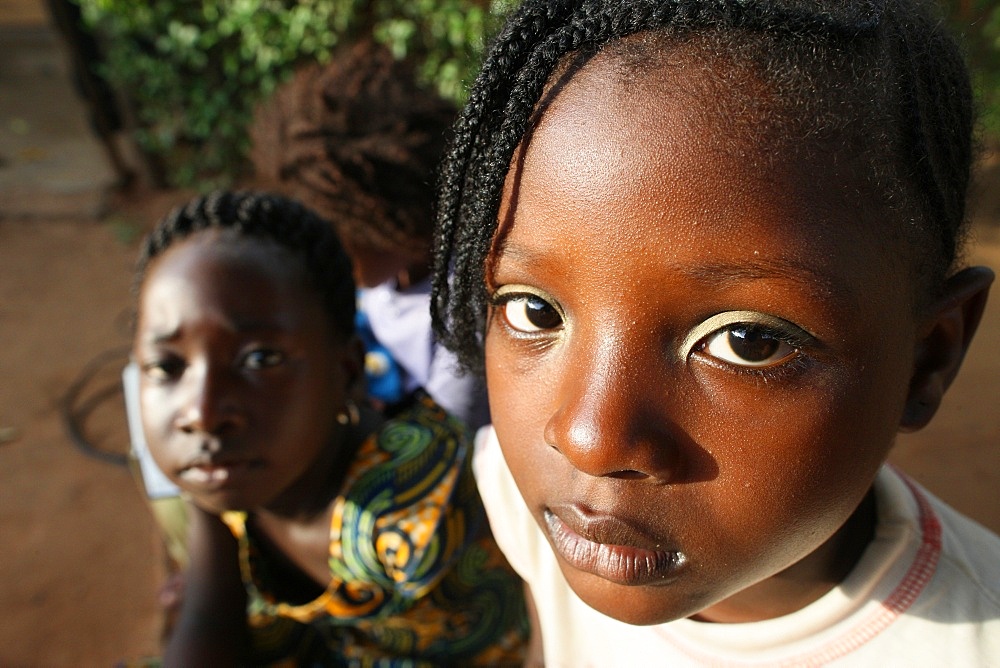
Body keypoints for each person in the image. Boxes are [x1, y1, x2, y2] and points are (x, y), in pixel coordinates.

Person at [430, 0, 1000, 665]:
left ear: (929, 358)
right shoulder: (502, 500)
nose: (590, 438)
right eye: (535, 311)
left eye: (748, 342)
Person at [132, 190, 526, 666]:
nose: (204, 412)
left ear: (347, 372)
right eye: (166, 366)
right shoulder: (235, 477)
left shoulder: (413, 511)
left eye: (260, 359)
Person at [251, 37, 490, 430]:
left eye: (340, 251)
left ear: (393, 226)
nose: (326, 263)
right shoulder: (382, 273)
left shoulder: (465, 320)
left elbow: (445, 437)